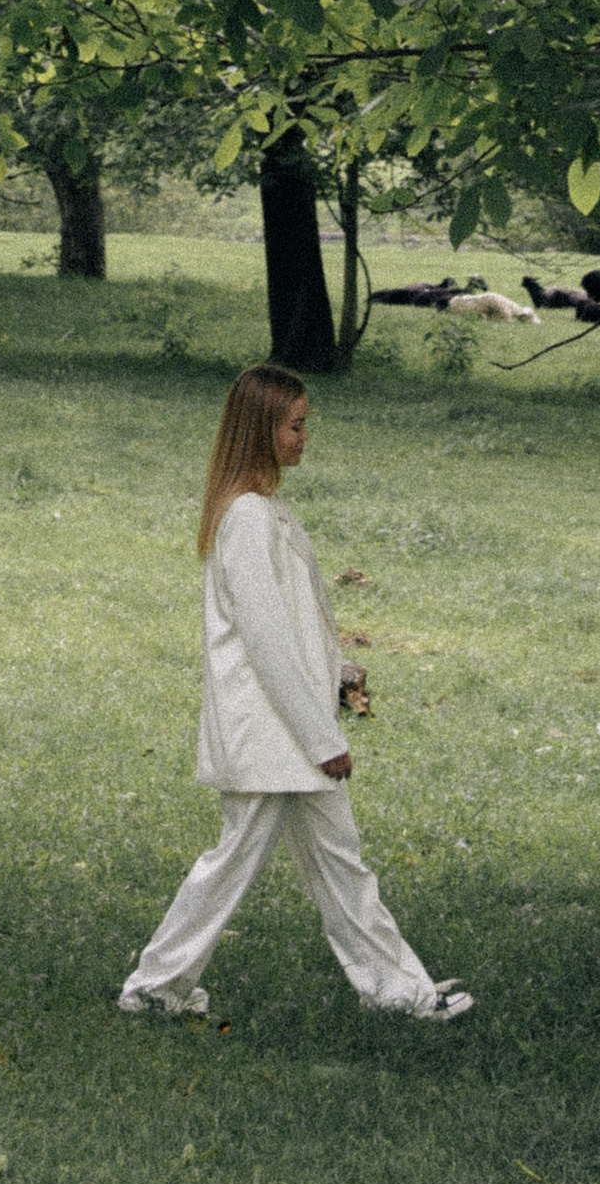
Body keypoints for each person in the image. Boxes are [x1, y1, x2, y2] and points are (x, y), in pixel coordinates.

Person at [118, 362, 469, 1025]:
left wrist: (334, 679)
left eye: (306, 424)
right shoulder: (248, 519)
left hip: (291, 734)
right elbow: (268, 642)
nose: (306, 437)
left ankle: (402, 992)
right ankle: (154, 987)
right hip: (271, 735)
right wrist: (322, 736)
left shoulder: (267, 512)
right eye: (295, 426)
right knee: (232, 865)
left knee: (342, 868)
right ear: (261, 431)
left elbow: (296, 627)